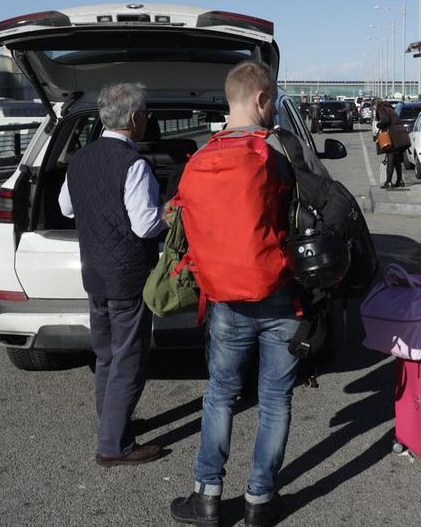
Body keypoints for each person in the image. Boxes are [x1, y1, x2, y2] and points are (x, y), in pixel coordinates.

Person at [170, 60, 299, 527]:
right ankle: (260, 501)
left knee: (220, 395)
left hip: (224, 297)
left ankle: (206, 497)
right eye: (273, 98)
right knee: (275, 399)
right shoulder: (277, 152)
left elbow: (183, 226)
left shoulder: (200, 159)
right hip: (280, 293)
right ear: (261, 99)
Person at [58, 82, 167, 467]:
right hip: (128, 276)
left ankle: (111, 425)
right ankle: (113, 447)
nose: (147, 119)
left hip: (95, 275)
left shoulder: (79, 159)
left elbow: (66, 208)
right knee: (129, 360)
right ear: (135, 119)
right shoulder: (133, 164)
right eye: (146, 114)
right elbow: (145, 225)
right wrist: (169, 213)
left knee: (105, 355)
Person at [375, 100, 410, 189]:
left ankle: (388, 182)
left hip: (393, 137)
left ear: (375, 105)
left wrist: (378, 125)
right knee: (397, 160)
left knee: (390, 158)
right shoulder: (390, 108)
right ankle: (400, 180)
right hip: (401, 135)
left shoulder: (381, 108)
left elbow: (386, 121)